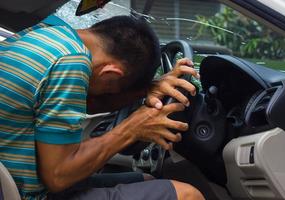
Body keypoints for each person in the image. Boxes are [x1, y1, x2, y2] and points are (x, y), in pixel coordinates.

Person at [0, 14, 204, 200]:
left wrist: (145, 90)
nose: (109, 96)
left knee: (147, 180)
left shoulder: (48, 30)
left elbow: (84, 101)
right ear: (111, 74)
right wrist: (132, 129)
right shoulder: (71, 63)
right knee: (187, 195)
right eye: (111, 91)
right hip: (26, 195)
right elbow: (58, 177)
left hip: (14, 182)